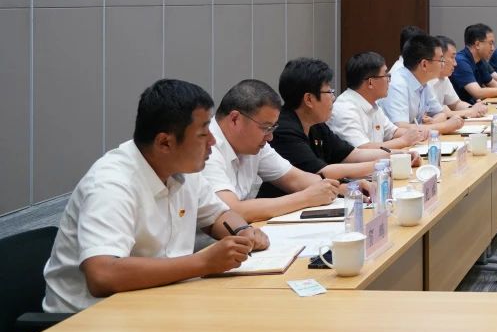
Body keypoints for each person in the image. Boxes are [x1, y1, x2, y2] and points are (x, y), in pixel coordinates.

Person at [43, 80, 267, 313]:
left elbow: (218, 215)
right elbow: (102, 274)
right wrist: (203, 262)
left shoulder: (183, 169)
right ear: (165, 142)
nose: (213, 141)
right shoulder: (111, 184)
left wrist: (243, 231)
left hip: (156, 301)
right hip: (89, 320)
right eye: (203, 134)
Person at [203, 79, 345, 223]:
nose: (270, 137)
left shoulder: (253, 144)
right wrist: (306, 198)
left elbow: (295, 179)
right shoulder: (206, 149)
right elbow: (231, 211)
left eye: (272, 128)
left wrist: (342, 188)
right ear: (235, 119)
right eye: (266, 128)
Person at [262, 58, 403, 197]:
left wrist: (397, 156)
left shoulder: (316, 125)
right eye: (329, 92)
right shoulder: (283, 130)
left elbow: (352, 154)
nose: (333, 98)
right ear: (309, 99)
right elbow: (322, 172)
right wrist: (381, 164)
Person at [330, 52, 424, 150]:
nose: (389, 80)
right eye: (385, 75)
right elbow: (362, 149)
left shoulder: (372, 104)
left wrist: (418, 133)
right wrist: (403, 141)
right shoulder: (344, 109)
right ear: (370, 82)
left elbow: (392, 132)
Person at [380, 35, 463, 134]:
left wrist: (434, 122)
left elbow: (441, 114)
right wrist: (444, 126)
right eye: (441, 60)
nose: (443, 64)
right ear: (424, 64)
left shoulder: (423, 82)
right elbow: (400, 127)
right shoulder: (397, 84)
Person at [452, 23, 497, 104]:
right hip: (463, 109)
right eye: (490, 43)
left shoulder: (480, 61)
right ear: (477, 44)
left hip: (476, 106)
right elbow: (478, 93)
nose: (493, 48)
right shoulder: (461, 61)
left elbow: (494, 84)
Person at [434, 36, 488, 117]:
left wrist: (473, 108)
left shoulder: (444, 77)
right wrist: (471, 111)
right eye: (452, 57)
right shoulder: (427, 81)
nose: (455, 64)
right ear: (440, 57)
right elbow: (442, 113)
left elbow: (456, 104)